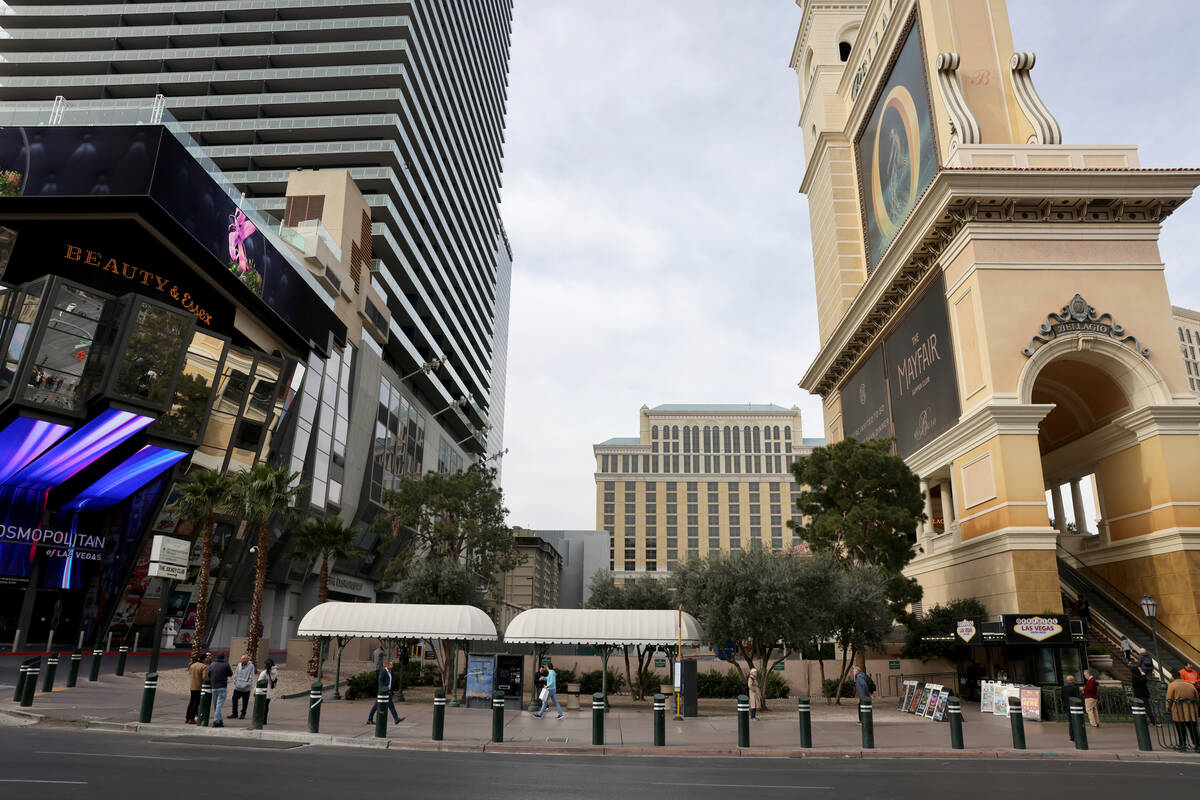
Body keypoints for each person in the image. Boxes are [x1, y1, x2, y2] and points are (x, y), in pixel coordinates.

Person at [1166, 673, 1200, 752]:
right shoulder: (1190, 685)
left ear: (1173, 677)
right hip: (1191, 710)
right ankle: (1197, 745)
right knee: (1193, 729)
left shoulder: (1172, 685)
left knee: (1181, 729)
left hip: (1179, 711)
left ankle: (1182, 745)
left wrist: (1168, 709)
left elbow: (1169, 699)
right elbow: (1197, 698)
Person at [366, 661, 403, 726]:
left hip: (389, 692)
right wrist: (384, 690)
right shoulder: (383, 672)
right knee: (376, 706)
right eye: (391, 664)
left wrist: (391, 690)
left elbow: (392, 681)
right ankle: (369, 719)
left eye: (392, 664)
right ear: (387, 665)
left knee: (391, 706)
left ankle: (396, 719)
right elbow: (380, 682)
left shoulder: (391, 672)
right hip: (383, 693)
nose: (392, 665)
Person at [208, 652, 233, 728]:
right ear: (223, 658)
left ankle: (220, 720)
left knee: (216, 705)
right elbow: (230, 674)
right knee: (219, 705)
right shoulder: (226, 665)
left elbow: (209, 674)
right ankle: (216, 721)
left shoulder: (212, 664)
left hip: (214, 687)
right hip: (222, 687)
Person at [185, 652, 209, 724]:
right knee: (196, 703)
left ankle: (187, 717)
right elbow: (205, 678)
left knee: (191, 702)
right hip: (199, 687)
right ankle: (191, 718)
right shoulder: (204, 666)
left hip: (192, 686)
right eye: (206, 658)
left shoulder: (192, 665)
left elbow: (190, 674)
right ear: (204, 659)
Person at [1131, 660, 1157, 726]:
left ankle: (1146, 721)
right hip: (1142, 695)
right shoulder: (1136, 677)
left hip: (1141, 694)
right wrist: (1143, 675)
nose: (1141, 670)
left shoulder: (1136, 677)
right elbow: (1143, 681)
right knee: (1147, 708)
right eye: (1139, 669)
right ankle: (1153, 721)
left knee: (1144, 708)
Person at [232, 653, 256, 720]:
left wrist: (247, 684)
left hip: (246, 688)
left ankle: (243, 714)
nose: (241, 660)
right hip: (237, 687)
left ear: (246, 660)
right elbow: (236, 674)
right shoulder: (239, 665)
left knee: (245, 701)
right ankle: (234, 713)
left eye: (243, 659)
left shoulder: (251, 666)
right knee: (234, 699)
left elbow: (251, 677)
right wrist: (235, 682)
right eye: (241, 659)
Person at [258, 659, 279, 725]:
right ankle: (264, 720)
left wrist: (255, 691)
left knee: (260, 706)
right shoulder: (275, 672)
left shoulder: (264, 673)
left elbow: (259, 682)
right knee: (266, 706)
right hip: (270, 691)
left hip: (262, 691)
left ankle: (260, 719)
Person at [1063, 675, 1083, 742]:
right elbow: (1077, 697)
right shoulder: (1074, 688)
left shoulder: (1064, 687)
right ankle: (1076, 736)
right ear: (1073, 680)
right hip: (1074, 706)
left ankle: (1071, 736)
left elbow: (1062, 697)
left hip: (1067, 706)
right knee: (1076, 721)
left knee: (1070, 722)